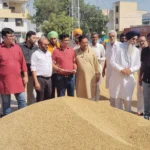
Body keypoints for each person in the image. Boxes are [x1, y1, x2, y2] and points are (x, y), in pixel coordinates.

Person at [109, 30, 140, 112]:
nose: (135, 41)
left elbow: (138, 64)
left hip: (129, 79)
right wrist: (121, 69)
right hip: (118, 78)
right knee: (118, 99)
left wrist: (130, 70)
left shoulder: (136, 51)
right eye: (133, 39)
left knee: (128, 99)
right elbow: (112, 61)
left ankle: (128, 118)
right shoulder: (118, 47)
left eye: (136, 39)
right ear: (128, 38)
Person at [0, 28, 28, 115]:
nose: (13, 37)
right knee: (6, 103)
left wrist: (25, 76)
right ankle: (8, 123)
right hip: (4, 81)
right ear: (4, 37)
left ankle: (22, 118)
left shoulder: (17, 47)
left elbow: (23, 63)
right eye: (10, 36)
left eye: (13, 35)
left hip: (17, 79)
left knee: (22, 100)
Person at [75, 35, 100, 100]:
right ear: (79, 43)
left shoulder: (92, 52)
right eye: (83, 43)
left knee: (91, 96)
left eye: (86, 42)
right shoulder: (75, 52)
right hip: (80, 79)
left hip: (91, 78)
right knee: (81, 97)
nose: (85, 44)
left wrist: (98, 74)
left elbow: (96, 64)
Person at [19, 31, 38, 105]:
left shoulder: (36, 47)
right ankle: (21, 106)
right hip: (21, 72)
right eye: (33, 38)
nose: (35, 39)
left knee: (30, 91)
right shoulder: (19, 46)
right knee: (20, 91)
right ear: (28, 38)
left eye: (35, 38)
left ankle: (29, 107)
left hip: (31, 72)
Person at [102, 30, 120, 107]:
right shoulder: (107, 45)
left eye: (113, 36)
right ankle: (112, 104)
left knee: (117, 86)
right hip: (109, 70)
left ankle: (118, 104)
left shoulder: (120, 45)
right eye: (110, 36)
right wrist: (103, 69)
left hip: (117, 70)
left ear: (116, 37)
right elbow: (106, 58)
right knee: (111, 86)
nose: (112, 37)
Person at [90, 32, 105, 100]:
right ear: (91, 38)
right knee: (91, 83)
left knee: (98, 84)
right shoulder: (88, 46)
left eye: (96, 37)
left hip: (98, 66)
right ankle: (92, 99)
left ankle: (97, 99)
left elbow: (104, 57)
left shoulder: (100, 46)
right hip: (90, 67)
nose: (94, 38)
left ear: (98, 38)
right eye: (93, 37)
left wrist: (98, 59)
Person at [139, 33, 150, 120]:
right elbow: (142, 65)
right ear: (147, 40)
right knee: (146, 98)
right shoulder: (144, 51)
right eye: (149, 39)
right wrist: (139, 76)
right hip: (146, 78)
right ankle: (146, 114)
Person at [137, 36, 148, 116]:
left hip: (148, 74)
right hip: (140, 74)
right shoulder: (137, 51)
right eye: (140, 41)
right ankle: (140, 110)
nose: (142, 42)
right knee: (140, 93)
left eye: (143, 41)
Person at [47, 31, 60, 98]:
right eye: (51, 39)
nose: (53, 40)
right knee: (51, 90)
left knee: (60, 89)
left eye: (54, 38)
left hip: (59, 71)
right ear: (49, 39)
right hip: (51, 72)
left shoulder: (60, 46)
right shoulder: (46, 47)